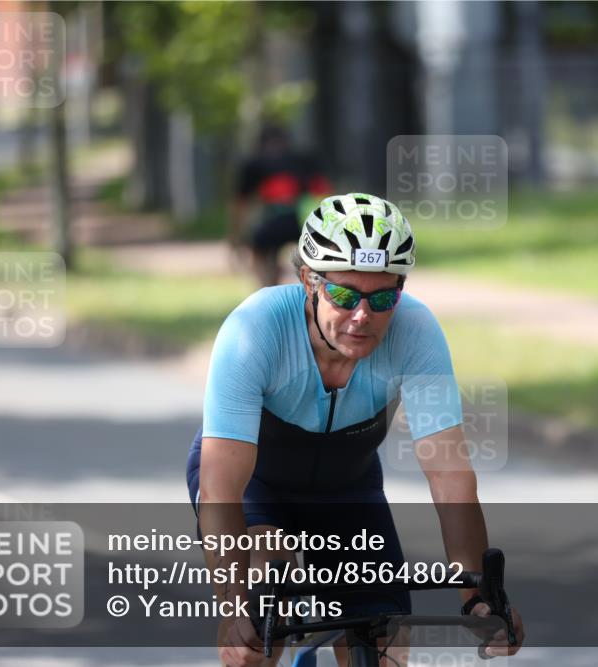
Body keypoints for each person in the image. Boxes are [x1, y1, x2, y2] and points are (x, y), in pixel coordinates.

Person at [187, 193, 524, 667]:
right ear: (308, 279)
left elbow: (450, 475)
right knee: (262, 613)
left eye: (382, 297)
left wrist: (477, 593)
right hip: (255, 487)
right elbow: (221, 484)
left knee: (385, 643)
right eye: (344, 295)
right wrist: (233, 604)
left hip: (347, 490)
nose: (362, 315)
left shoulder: (416, 332)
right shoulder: (255, 330)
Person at [230, 124, 331, 287]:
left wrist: (236, 237)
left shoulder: (256, 164)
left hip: (275, 221)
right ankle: (317, 289)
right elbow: (325, 193)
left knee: (261, 251)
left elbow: (241, 205)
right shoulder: (305, 160)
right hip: (307, 220)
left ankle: (267, 289)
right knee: (315, 259)